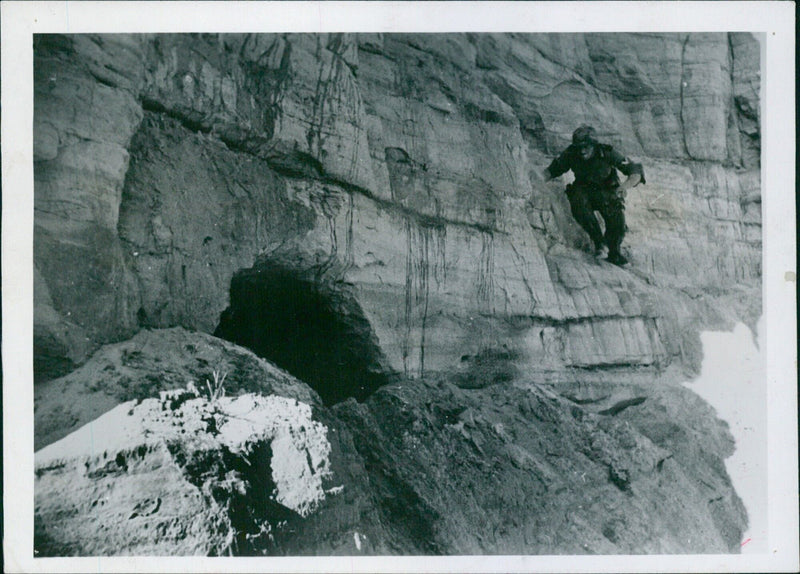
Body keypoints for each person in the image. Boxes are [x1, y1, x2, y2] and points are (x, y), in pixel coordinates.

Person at [543, 125, 645, 266]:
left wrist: (624, 186)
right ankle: (599, 243)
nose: (582, 151)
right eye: (579, 147)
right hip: (585, 192)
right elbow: (550, 171)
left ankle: (614, 253)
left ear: (593, 145)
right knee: (577, 199)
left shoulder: (607, 152)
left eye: (586, 147)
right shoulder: (571, 154)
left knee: (617, 222)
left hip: (608, 192)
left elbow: (635, 172)